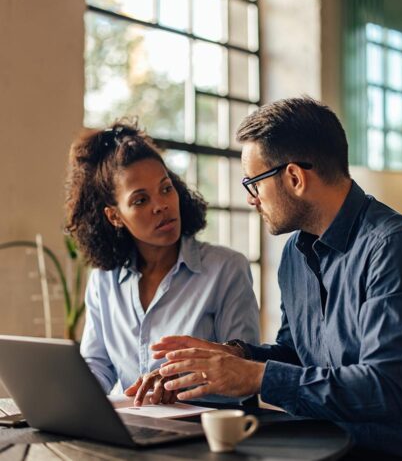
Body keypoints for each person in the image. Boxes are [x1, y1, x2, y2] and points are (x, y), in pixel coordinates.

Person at [150, 98, 402, 459]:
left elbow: (385, 390)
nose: (252, 199)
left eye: (253, 182)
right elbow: (298, 354)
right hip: (320, 446)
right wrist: (234, 355)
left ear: (295, 178)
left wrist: (254, 377)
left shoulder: (395, 248)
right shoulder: (294, 256)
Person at [64, 121, 259, 405]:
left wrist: (182, 377)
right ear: (114, 216)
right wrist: (65, 393)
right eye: (141, 200)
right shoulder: (104, 280)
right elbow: (97, 367)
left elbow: (245, 371)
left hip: (204, 431)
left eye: (166, 189)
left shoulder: (227, 269)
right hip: (136, 428)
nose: (161, 205)